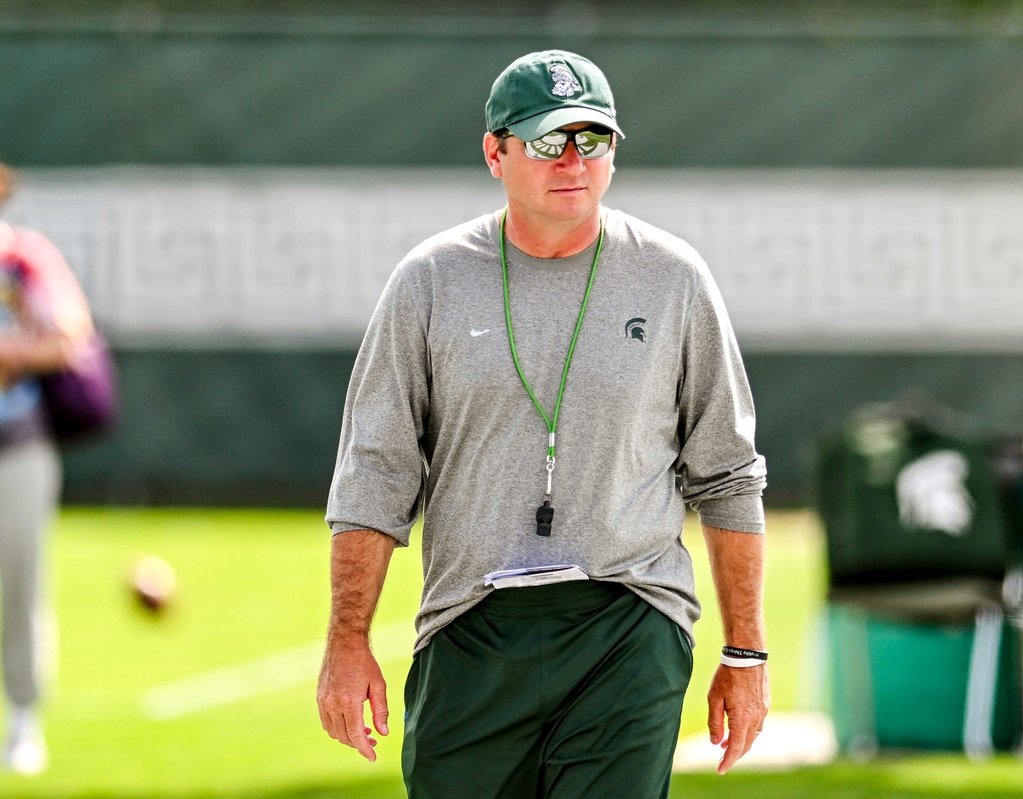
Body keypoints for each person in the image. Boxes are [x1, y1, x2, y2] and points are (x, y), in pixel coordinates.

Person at [317, 50, 769, 798]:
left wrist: (745, 654)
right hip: (472, 626)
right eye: (548, 140)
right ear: (495, 152)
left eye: (593, 141)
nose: (573, 161)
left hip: (628, 620)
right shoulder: (429, 281)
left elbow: (728, 472)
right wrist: (346, 641)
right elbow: (376, 472)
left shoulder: (673, 278)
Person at [0, 160, 92, 776]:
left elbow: (69, 336)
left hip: (15, 444)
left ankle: (24, 720)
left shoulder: (23, 259)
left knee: (18, 582)